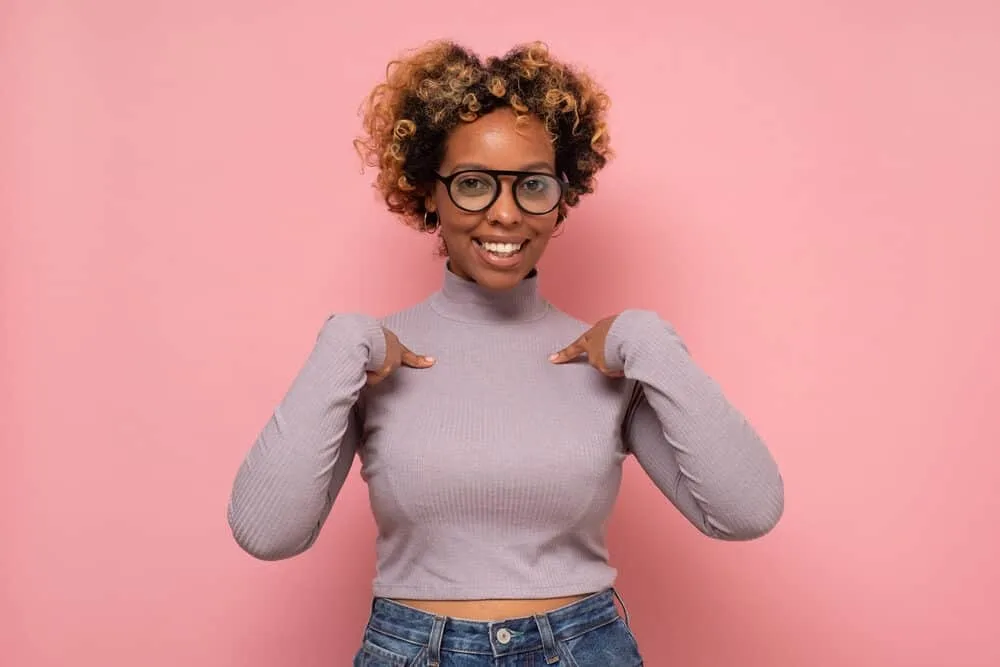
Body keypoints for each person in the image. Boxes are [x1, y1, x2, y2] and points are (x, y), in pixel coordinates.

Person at [227, 40, 784, 666]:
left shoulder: (612, 362)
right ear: (427, 192)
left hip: (582, 648)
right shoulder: (368, 360)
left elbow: (747, 512)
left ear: (560, 196)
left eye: (532, 185)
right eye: (471, 184)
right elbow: (267, 534)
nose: (503, 213)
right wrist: (339, 344)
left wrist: (651, 342)